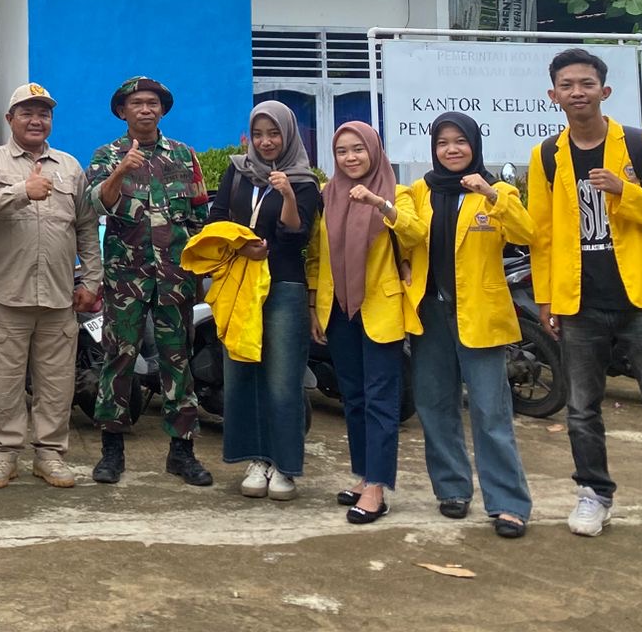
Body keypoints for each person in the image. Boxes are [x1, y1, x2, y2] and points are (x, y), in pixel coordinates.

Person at [528, 48, 642, 554]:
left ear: (605, 90)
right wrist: (546, 299)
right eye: (566, 84)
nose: (576, 92)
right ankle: (593, 493)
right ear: (553, 95)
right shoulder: (547, 155)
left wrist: (626, 191)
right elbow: (542, 235)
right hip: (580, 303)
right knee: (581, 408)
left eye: (586, 83)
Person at [0, 83, 100, 489]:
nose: (36, 120)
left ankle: (50, 454)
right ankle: (3, 454)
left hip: (60, 295)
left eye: (43, 113)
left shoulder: (70, 167)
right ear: (10, 120)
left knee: (56, 382)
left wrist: (92, 278)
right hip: (8, 293)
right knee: (4, 381)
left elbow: (86, 228)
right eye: (27, 112)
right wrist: (23, 191)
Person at [405, 114, 533, 538]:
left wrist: (491, 194)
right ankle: (452, 489)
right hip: (431, 314)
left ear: (475, 146)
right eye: (443, 143)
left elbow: (526, 234)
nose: (452, 150)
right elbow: (404, 234)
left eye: (460, 142)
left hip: (478, 312)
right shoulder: (421, 191)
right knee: (435, 406)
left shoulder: (499, 190)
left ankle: (508, 503)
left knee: (489, 409)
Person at [85, 76, 212, 487]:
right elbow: (96, 204)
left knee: (178, 362)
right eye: (136, 103)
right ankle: (112, 450)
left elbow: (197, 217)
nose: (145, 109)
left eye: (152, 103)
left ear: (162, 110)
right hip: (126, 279)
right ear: (122, 111)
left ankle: (182, 451)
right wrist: (121, 171)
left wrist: (195, 267)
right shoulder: (107, 155)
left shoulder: (183, 156)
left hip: (175, 279)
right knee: (118, 360)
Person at [307, 121, 424, 525]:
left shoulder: (398, 192)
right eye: (342, 151)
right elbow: (317, 255)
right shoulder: (328, 195)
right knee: (352, 398)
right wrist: (313, 305)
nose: (351, 157)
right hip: (337, 311)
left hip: (379, 309)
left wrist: (380, 204)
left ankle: (378, 486)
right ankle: (362, 476)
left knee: (379, 399)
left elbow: (416, 233)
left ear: (374, 150)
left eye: (358, 149)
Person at [211, 101, 322, 501]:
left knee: (282, 381)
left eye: (273, 133)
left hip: (283, 287)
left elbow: (297, 237)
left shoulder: (304, 181)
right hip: (240, 284)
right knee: (242, 373)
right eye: (259, 134)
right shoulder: (238, 171)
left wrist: (288, 196)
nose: (266, 141)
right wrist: (242, 247)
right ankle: (255, 459)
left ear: (288, 135)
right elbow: (217, 219)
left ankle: (285, 466)